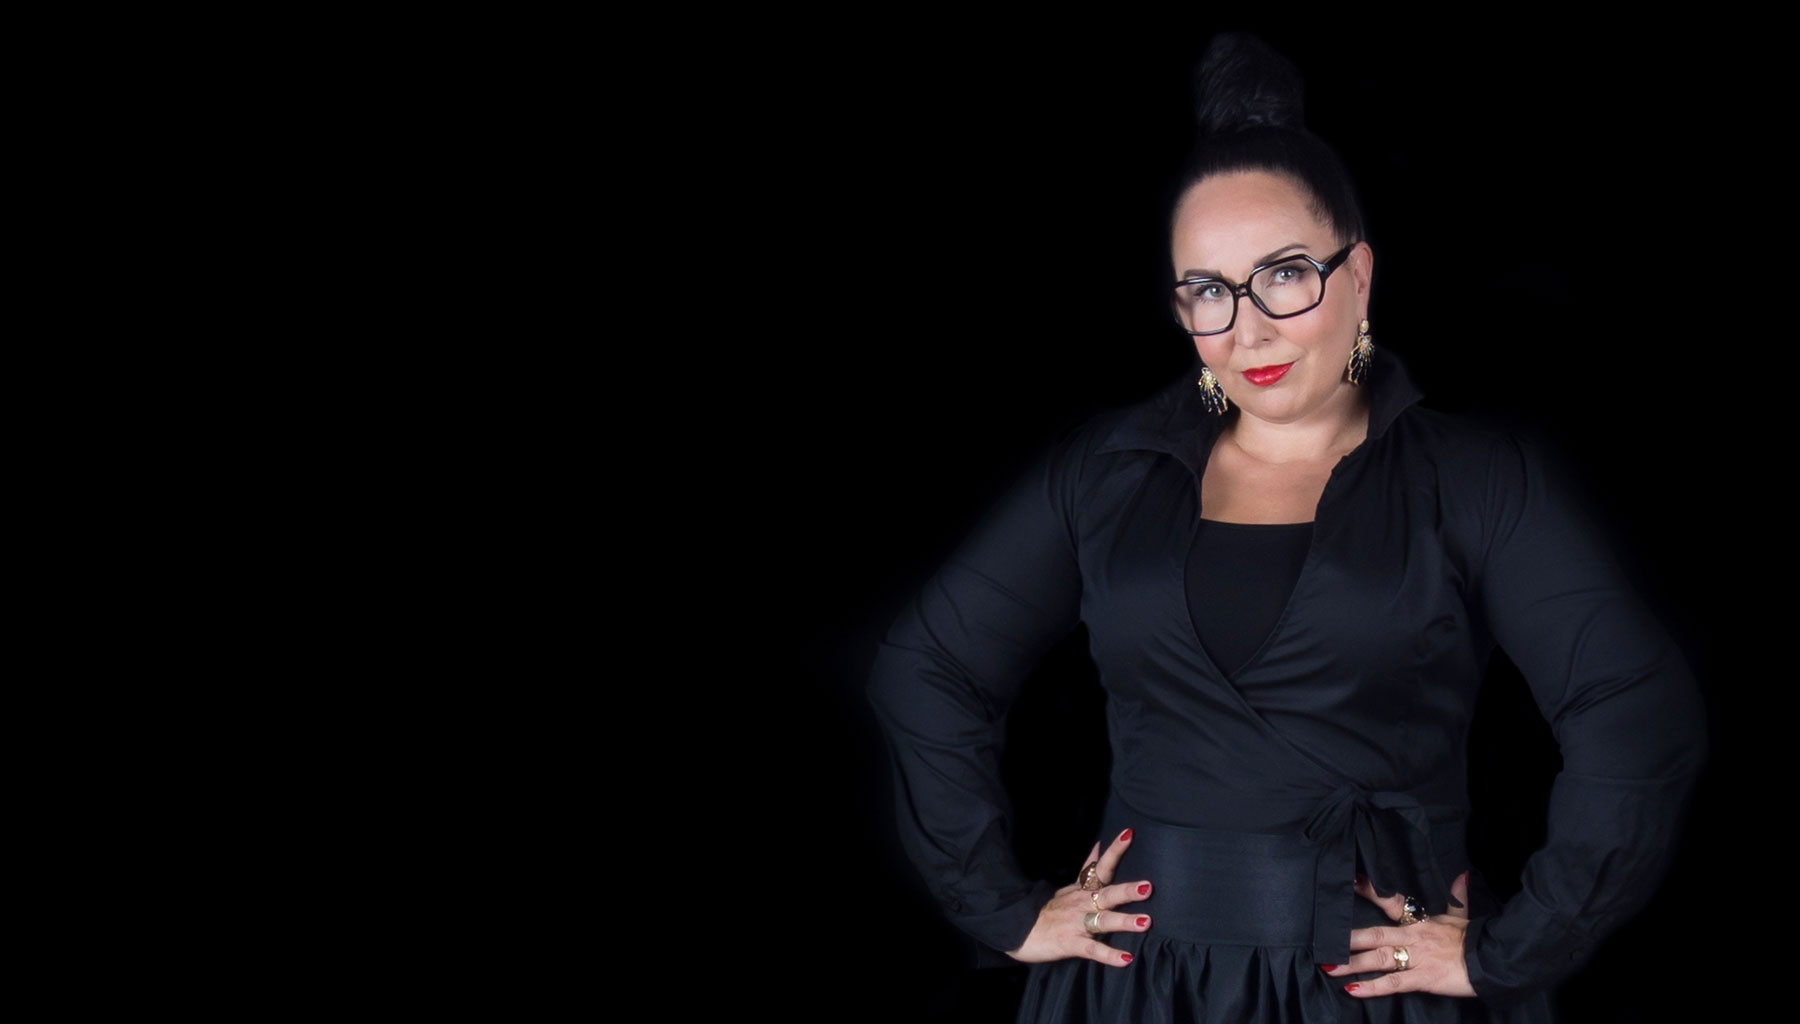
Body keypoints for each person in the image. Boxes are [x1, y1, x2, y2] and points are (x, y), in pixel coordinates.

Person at [865, 34, 1706, 1023]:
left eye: (1287, 273)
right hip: (1136, 994)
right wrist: (1002, 910)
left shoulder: (1473, 477)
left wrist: (1519, 948)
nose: (1247, 329)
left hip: (1373, 994)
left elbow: (1634, 707)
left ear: (1359, 274)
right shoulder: (1104, 471)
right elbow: (925, 666)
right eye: (1208, 290)